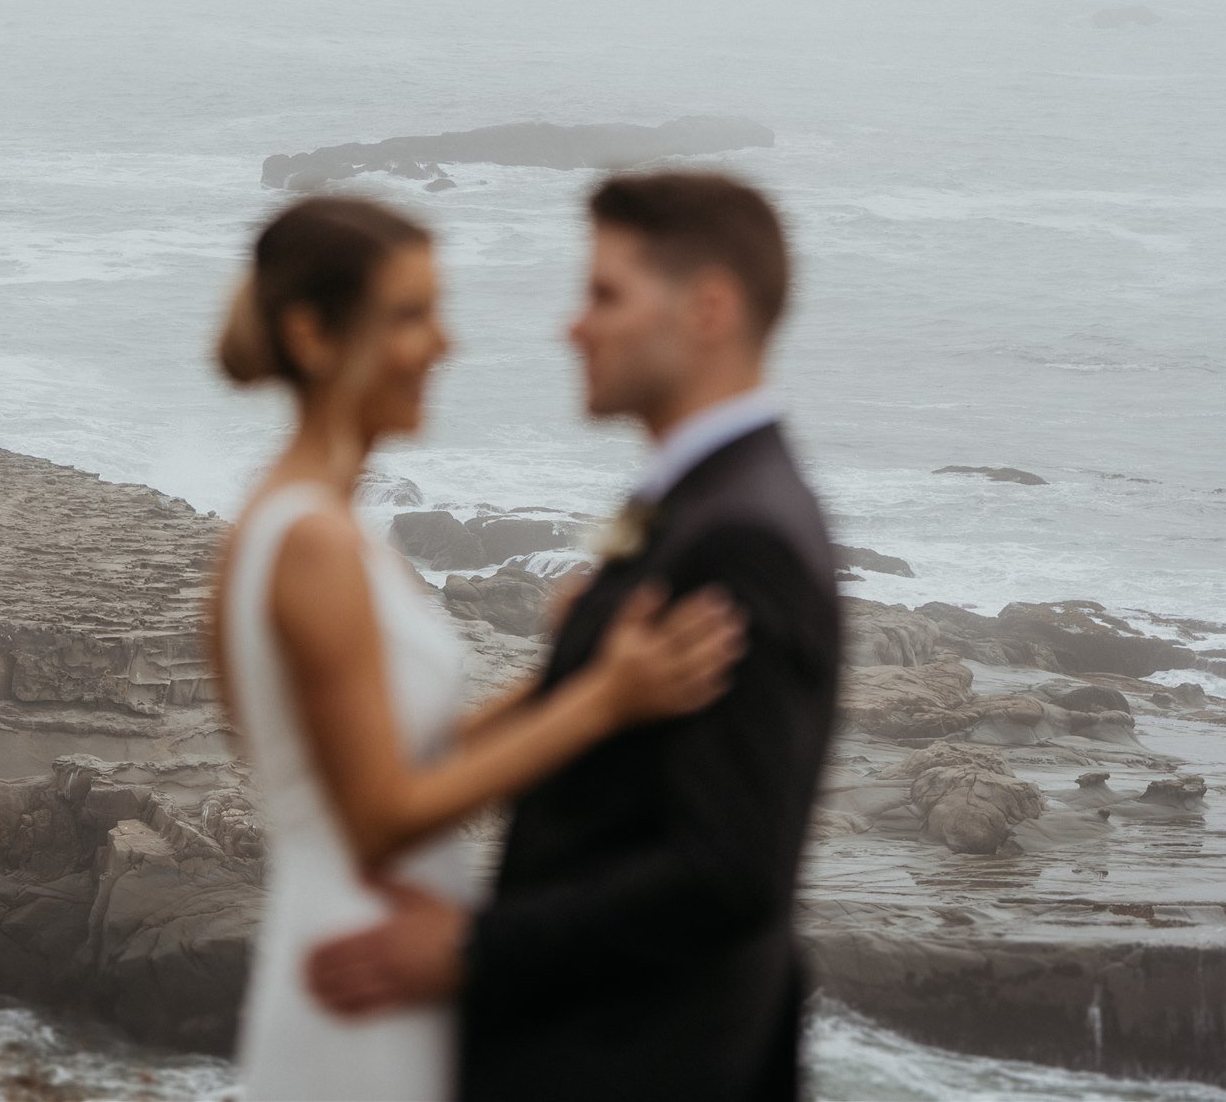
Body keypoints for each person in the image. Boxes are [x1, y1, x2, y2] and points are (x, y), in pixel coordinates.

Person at [306, 172, 843, 1102]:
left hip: (642, 1065)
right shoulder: (699, 504)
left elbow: (729, 870)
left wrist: (474, 946)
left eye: (605, 294)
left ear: (709, 310)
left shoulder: (740, 537)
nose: (573, 326)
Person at [208, 194, 746, 1102]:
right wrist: (603, 701)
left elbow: (417, 756)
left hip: (370, 944)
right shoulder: (312, 542)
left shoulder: (315, 524)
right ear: (313, 337)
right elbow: (380, 814)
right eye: (411, 315)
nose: (444, 345)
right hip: (364, 964)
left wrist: (572, 664)